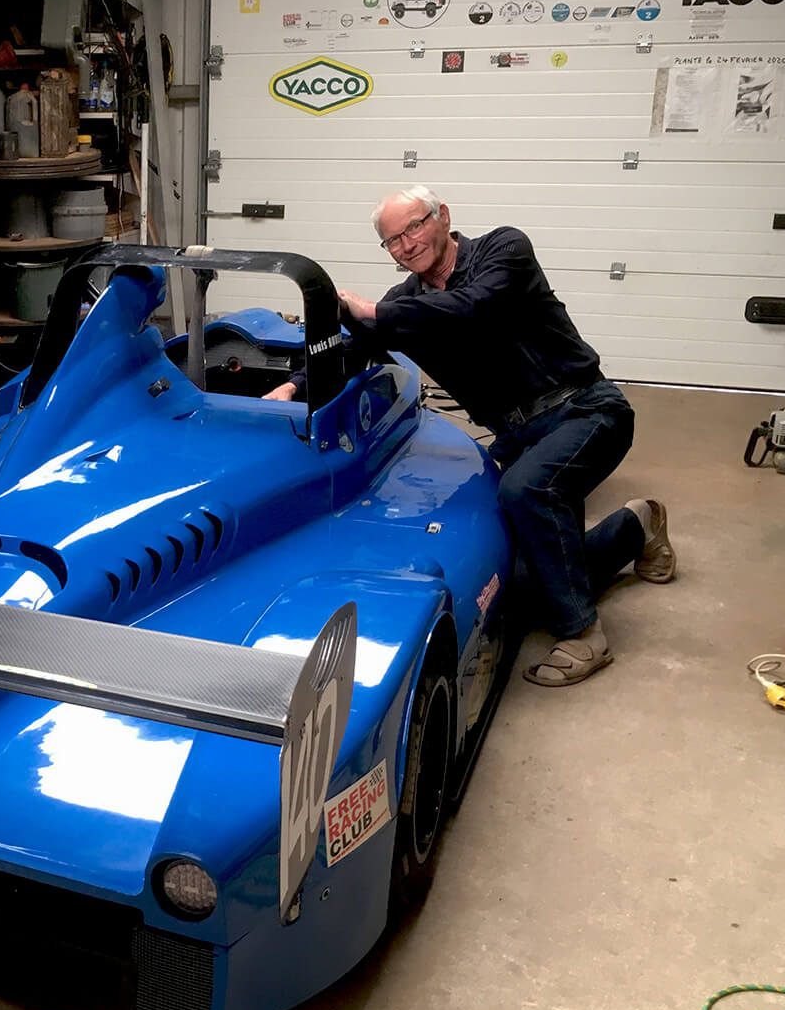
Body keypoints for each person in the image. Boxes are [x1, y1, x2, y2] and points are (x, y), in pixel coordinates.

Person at [263, 185, 676, 686]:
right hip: (516, 434)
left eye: (414, 227)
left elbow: (471, 307)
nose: (406, 244)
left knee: (527, 490)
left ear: (443, 218)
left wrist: (372, 311)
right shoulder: (407, 302)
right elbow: (354, 351)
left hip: (586, 409)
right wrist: (293, 385)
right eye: (392, 240)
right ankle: (638, 525)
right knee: (517, 583)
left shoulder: (504, 250)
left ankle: (584, 635)